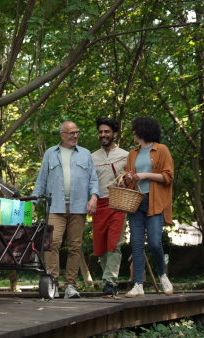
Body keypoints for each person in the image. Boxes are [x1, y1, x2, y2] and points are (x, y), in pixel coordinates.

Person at [32, 121, 99, 299]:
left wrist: (94, 197)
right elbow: (41, 180)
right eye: (71, 133)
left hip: (78, 207)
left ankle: (70, 286)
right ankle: (52, 283)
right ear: (62, 135)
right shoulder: (50, 153)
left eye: (77, 132)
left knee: (75, 247)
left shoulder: (85, 154)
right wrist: (33, 202)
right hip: (55, 206)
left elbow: (93, 179)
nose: (75, 136)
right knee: (52, 244)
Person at [123, 116, 174, 298]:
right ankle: (138, 285)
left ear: (142, 131)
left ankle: (163, 276)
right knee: (136, 244)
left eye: (135, 130)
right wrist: (128, 178)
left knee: (154, 242)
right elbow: (127, 179)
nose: (133, 133)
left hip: (155, 201)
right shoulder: (132, 153)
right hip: (136, 201)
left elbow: (168, 176)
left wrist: (145, 174)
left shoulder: (161, 150)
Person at [91, 117, 128, 297]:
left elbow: (132, 180)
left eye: (107, 132)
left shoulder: (126, 155)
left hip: (118, 203)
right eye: (101, 132)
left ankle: (109, 282)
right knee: (101, 244)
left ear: (114, 133)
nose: (103, 135)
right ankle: (108, 281)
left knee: (114, 243)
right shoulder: (92, 157)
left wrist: (125, 182)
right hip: (98, 205)